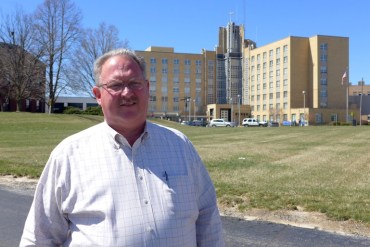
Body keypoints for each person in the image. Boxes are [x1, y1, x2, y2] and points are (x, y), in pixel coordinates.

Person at [20, 49, 225, 246]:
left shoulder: (180, 146)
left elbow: (208, 219)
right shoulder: (68, 156)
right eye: (116, 85)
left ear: (147, 87)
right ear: (98, 95)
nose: (127, 93)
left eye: (135, 83)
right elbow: (39, 238)